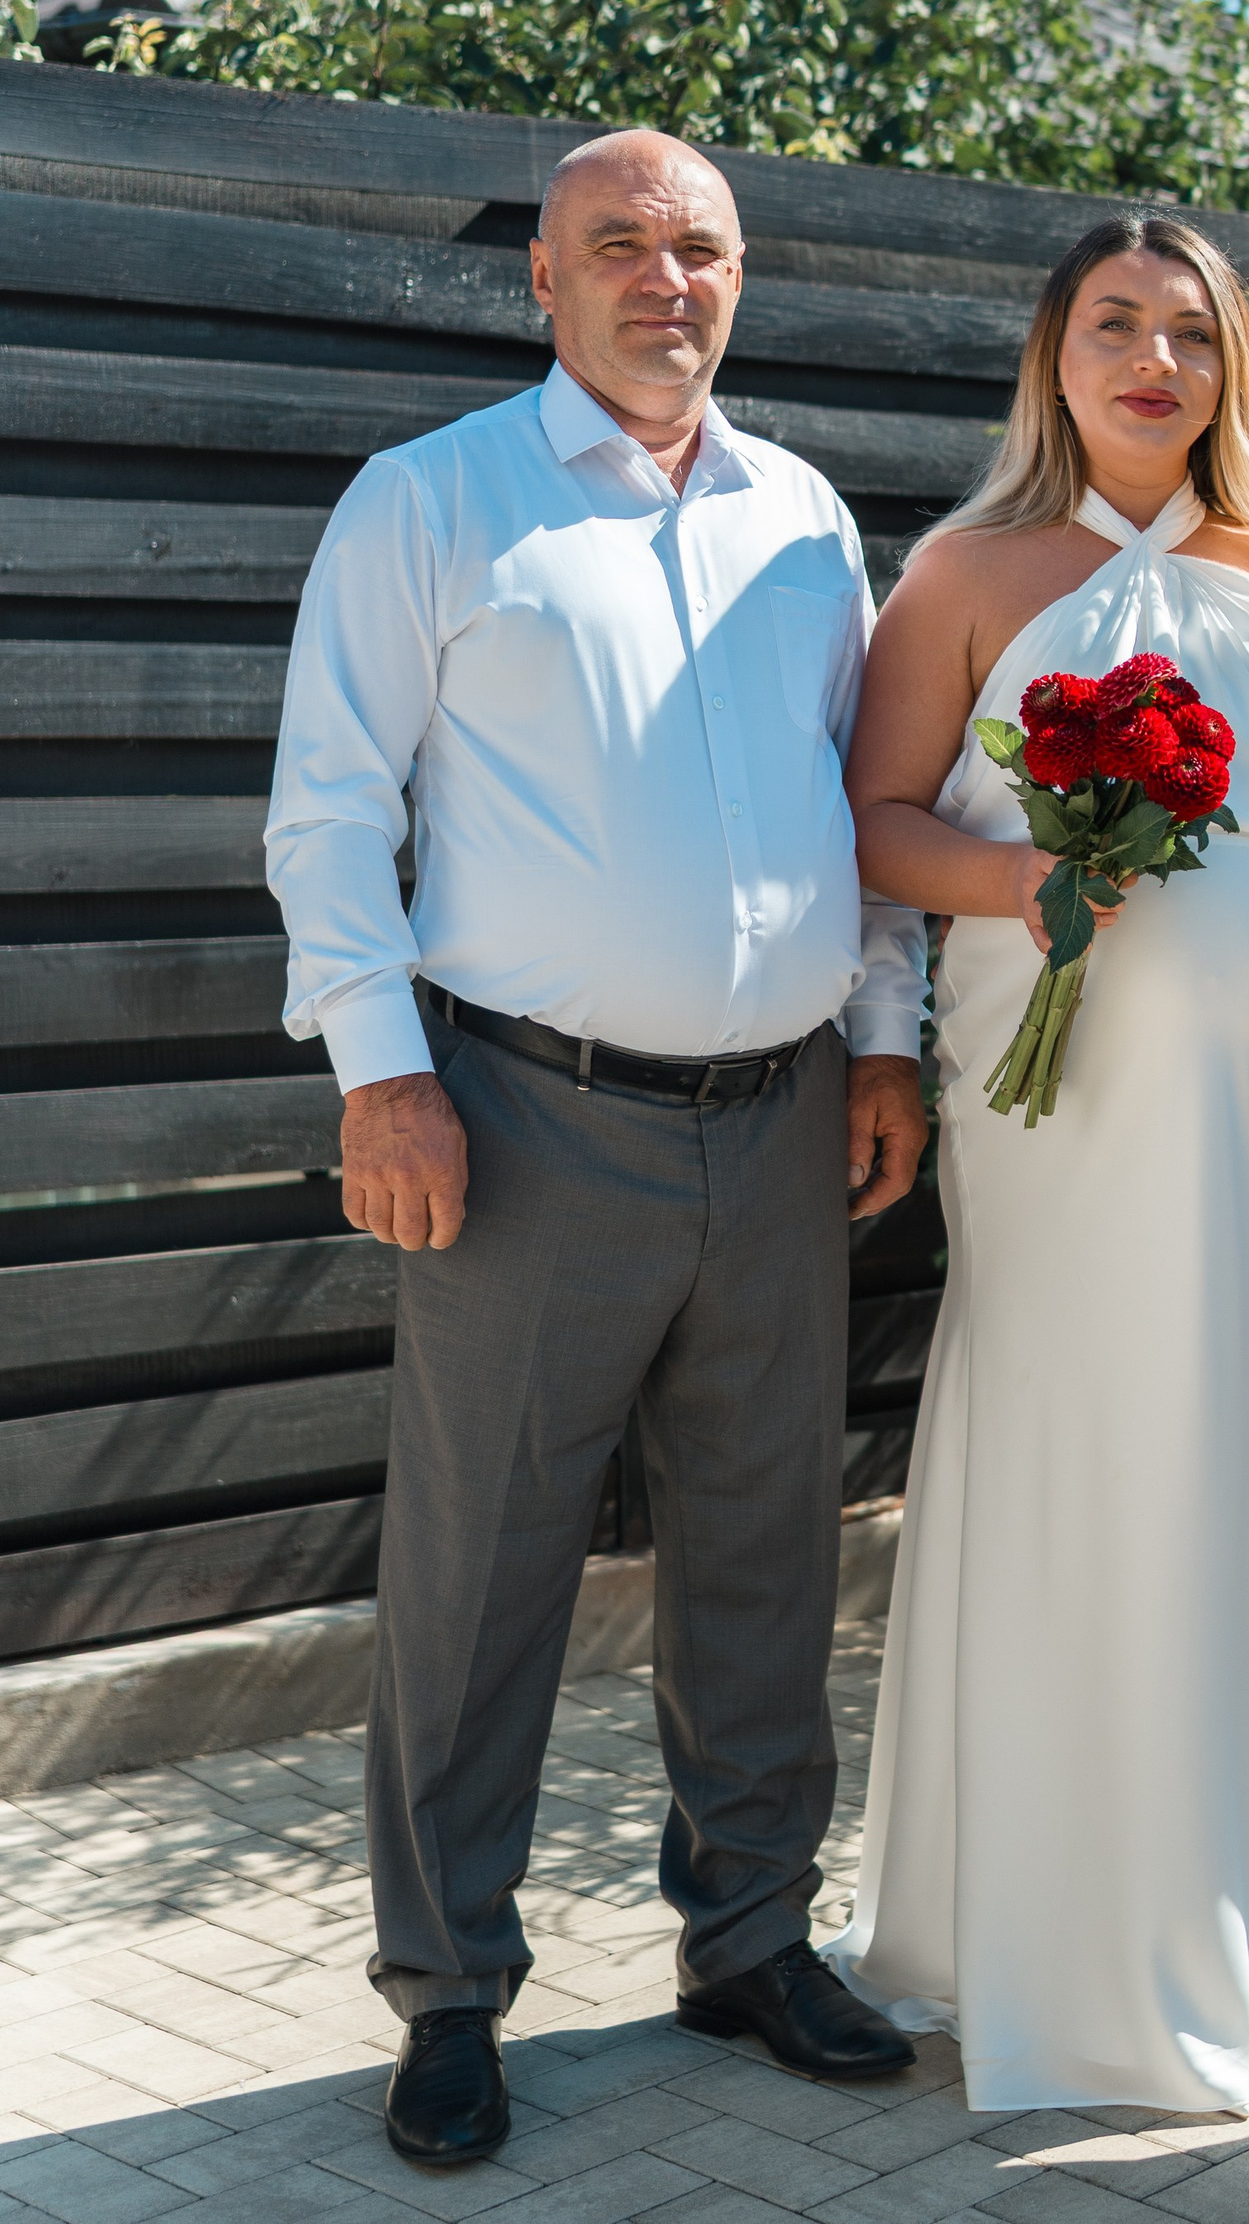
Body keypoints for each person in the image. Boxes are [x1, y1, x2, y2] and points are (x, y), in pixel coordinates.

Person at [266, 129, 933, 2175]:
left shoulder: (809, 518)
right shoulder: (435, 500)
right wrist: (381, 1073)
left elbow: (863, 802)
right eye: (620, 244)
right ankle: (449, 1994)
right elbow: (325, 809)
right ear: (541, 282)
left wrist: (885, 1044)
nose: (665, 278)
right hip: (518, 1123)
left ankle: (746, 1936)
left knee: (763, 1554)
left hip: (782, 1116)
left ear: (741, 280)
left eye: (701, 248)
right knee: (479, 1581)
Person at [827, 208, 1249, 2114]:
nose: (1154, 360)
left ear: (1238, 367)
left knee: (1223, 1442)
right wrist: (1029, 883)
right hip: (1047, 1105)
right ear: (1052, 354)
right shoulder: (966, 570)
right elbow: (878, 822)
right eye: (1116, 324)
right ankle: (1033, 1927)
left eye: (1192, 331)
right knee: (1073, 1433)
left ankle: (1226, 1908)